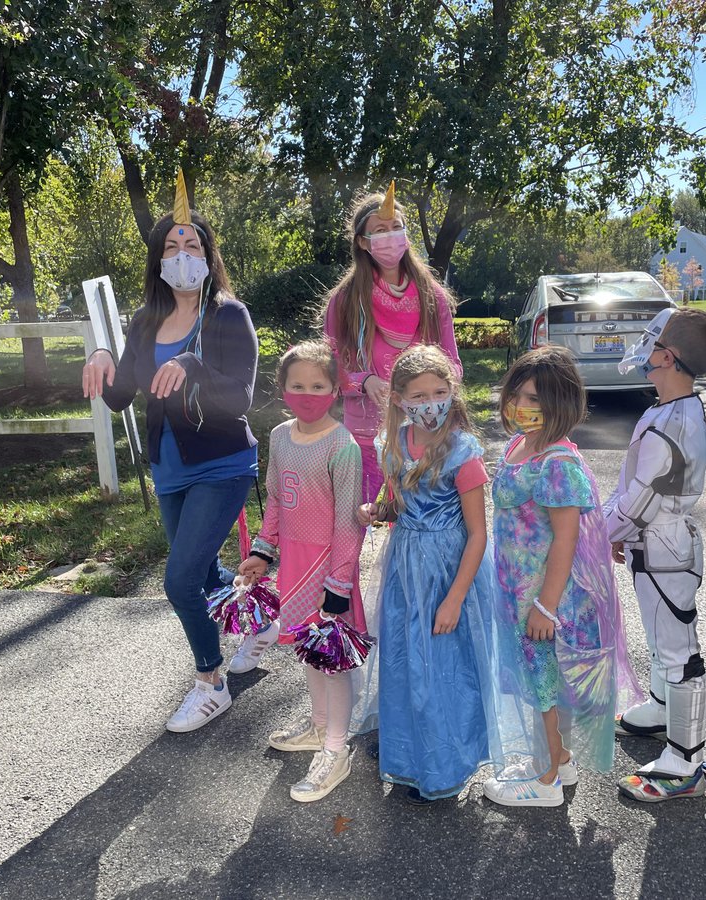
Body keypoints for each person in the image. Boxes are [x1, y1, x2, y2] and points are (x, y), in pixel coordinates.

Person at [82, 171, 259, 734]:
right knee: (203, 571)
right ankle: (253, 615)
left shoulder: (228, 315)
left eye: (193, 245)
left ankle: (211, 682)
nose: (182, 255)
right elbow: (120, 398)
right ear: (158, 260)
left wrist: (193, 367)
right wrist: (104, 355)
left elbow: (241, 400)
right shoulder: (145, 321)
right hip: (170, 468)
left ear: (209, 255)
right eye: (171, 247)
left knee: (179, 581)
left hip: (223, 465)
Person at [483, 345, 640, 808]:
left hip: (548, 597)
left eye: (537, 399)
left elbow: (566, 540)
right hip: (520, 590)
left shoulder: (557, 463)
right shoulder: (519, 445)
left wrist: (546, 606)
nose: (524, 407)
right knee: (540, 682)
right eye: (519, 395)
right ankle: (557, 758)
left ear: (562, 404)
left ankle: (546, 780)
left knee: (545, 686)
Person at [352, 344, 501, 804]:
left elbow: (478, 533)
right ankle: (408, 756)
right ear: (398, 399)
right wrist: (375, 511)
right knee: (405, 660)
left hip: (448, 572)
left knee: (444, 668)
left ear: (452, 393)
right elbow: (396, 505)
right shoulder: (392, 445)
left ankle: (446, 764)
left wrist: (455, 598)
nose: (430, 402)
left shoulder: (463, 453)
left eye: (440, 391)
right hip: (405, 566)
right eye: (418, 395)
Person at [604, 308, 706, 803]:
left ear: (669, 357)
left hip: (663, 548)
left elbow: (640, 498)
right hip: (656, 545)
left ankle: (684, 760)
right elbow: (633, 490)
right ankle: (659, 709)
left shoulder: (671, 422)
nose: (646, 354)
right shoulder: (668, 411)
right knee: (663, 642)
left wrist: (597, 532)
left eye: (654, 347)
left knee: (678, 653)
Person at [237, 340, 365, 803]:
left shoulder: (342, 445)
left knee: (331, 656)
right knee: (307, 653)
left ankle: (337, 749)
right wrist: (263, 552)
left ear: (335, 389)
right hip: (290, 562)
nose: (307, 393)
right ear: (283, 388)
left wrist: (339, 583)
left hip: (328, 567)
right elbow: (274, 499)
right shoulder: (279, 436)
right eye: (297, 385)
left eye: (318, 385)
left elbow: (350, 520)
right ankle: (319, 726)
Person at [323, 182, 462, 503]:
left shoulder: (433, 297)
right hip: (365, 432)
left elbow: (453, 365)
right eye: (380, 230)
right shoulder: (344, 300)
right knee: (355, 518)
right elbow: (329, 366)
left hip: (424, 431)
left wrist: (430, 394)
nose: (390, 236)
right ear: (363, 242)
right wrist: (362, 380)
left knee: (421, 521)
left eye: (396, 228)